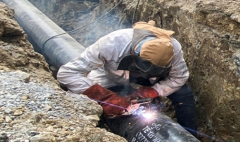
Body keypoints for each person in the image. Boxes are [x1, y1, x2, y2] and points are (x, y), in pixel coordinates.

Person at [57, 21, 197, 132]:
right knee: (101, 102)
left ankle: (192, 137)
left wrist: (153, 91)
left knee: (183, 93)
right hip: (111, 76)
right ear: (133, 54)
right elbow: (67, 73)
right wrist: (105, 97)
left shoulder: (172, 48)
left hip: (150, 80)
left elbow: (179, 77)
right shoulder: (112, 43)